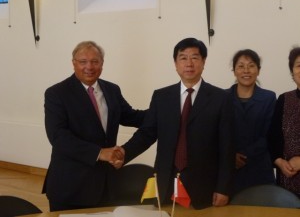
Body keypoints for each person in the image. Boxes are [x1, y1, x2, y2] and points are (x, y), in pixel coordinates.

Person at [113, 38, 235, 209]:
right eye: (183, 58)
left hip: (204, 186)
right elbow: (146, 134)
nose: (189, 63)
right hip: (166, 183)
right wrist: (124, 153)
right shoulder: (161, 97)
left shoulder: (221, 98)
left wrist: (223, 188)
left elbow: (227, 147)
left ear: (204, 61)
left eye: (195, 57)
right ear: (175, 63)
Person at [42, 41, 146, 211]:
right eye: (83, 61)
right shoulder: (56, 93)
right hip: (71, 186)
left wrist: (162, 108)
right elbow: (58, 137)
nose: (89, 66)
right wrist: (99, 153)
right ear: (73, 63)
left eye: (95, 61)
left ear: (102, 64)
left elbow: (132, 116)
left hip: (106, 185)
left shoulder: (112, 89)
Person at [227, 49, 276, 194]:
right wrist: (231, 156)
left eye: (251, 65)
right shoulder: (222, 98)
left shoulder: (269, 98)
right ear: (234, 71)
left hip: (259, 168)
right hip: (229, 170)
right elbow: (216, 134)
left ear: (258, 70)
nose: (246, 71)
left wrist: (244, 155)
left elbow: (270, 134)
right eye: (241, 66)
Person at [268, 47, 300, 198]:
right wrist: (279, 161)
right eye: (299, 65)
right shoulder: (284, 99)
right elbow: (273, 136)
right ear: (292, 71)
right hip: (288, 179)